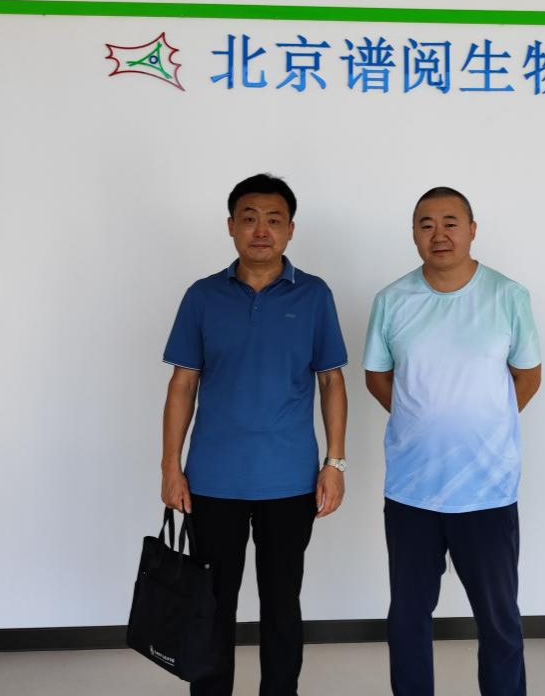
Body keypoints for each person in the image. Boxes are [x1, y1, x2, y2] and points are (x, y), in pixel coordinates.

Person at [160, 173, 349, 696]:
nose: (261, 230)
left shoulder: (314, 295)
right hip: (212, 480)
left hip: (289, 481)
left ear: (290, 229)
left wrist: (335, 463)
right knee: (211, 605)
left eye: (273, 220)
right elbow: (182, 384)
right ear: (230, 226)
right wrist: (171, 466)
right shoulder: (202, 296)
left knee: (282, 605)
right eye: (249, 218)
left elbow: (331, 381)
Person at [364, 186, 541, 696]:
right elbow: (378, 377)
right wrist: (422, 419)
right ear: (414, 234)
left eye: (450, 222)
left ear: (472, 229)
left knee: (499, 620)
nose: (438, 234)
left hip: (487, 489)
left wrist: (484, 422)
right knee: (408, 619)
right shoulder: (392, 301)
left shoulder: (508, 296)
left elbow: (527, 376)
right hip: (412, 490)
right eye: (426, 224)